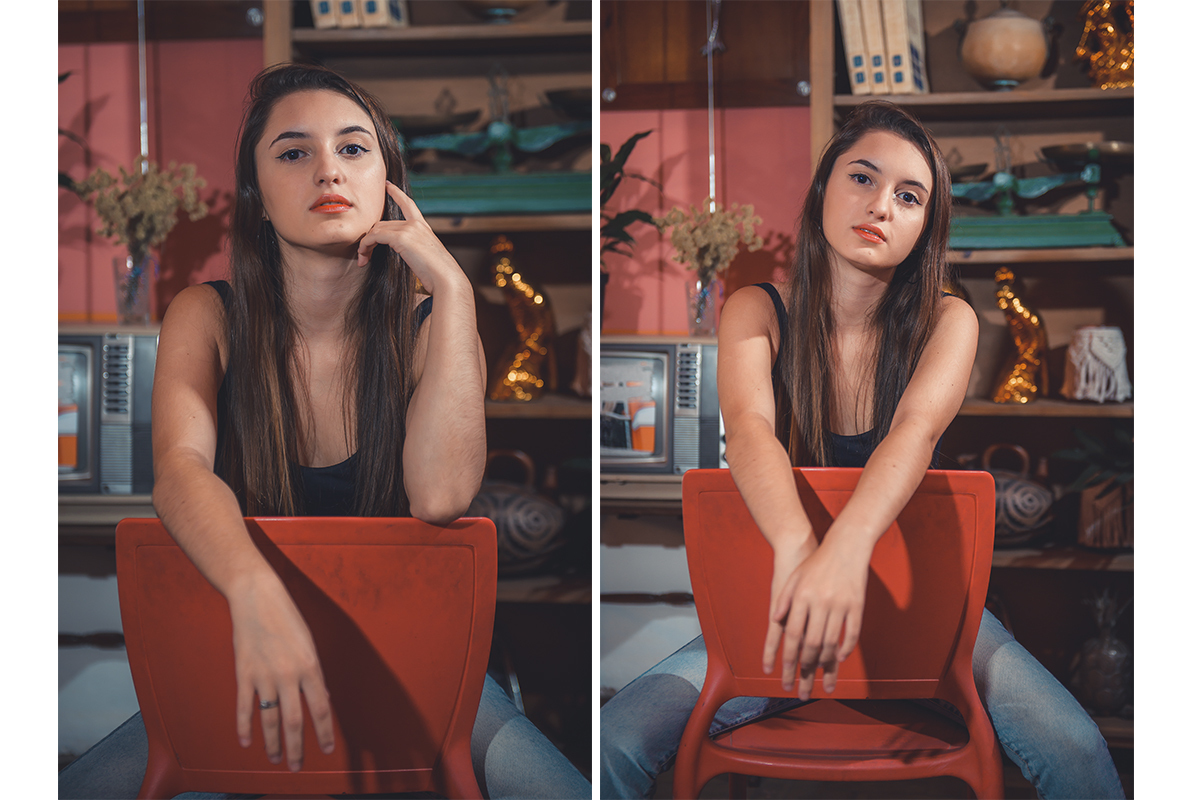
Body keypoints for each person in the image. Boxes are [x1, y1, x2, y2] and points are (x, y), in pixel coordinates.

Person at [59, 63, 590, 800]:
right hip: (250, 641)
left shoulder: (433, 324)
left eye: (352, 148)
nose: (327, 170)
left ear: (387, 182)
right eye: (293, 152)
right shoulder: (205, 315)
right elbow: (180, 470)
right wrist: (254, 592)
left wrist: (454, 289)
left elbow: (440, 495)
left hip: (409, 654)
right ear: (256, 193)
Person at [599, 101, 1124, 800]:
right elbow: (749, 431)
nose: (881, 205)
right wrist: (801, 555)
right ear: (823, 189)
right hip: (793, 601)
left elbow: (914, 432)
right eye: (863, 178)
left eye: (909, 196)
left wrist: (843, 554)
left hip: (925, 607)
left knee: (1075, 747)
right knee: (613, 740)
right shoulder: (755, 309)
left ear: (925, 226)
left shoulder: (950, 319)